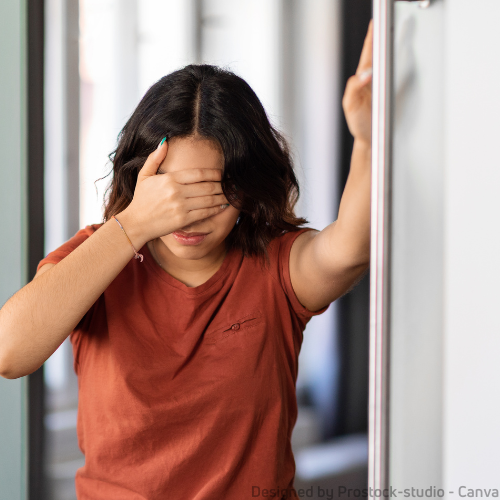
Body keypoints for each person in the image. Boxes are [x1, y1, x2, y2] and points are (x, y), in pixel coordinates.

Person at [0, 21, 373, 500]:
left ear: (247, 189)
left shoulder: (275, 268)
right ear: (141, 182)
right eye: (173, 194)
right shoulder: (100, 256)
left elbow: (350, 249)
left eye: (212, 194)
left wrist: (366, 142)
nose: (188, 216)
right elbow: (10, 353)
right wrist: (134, 224)